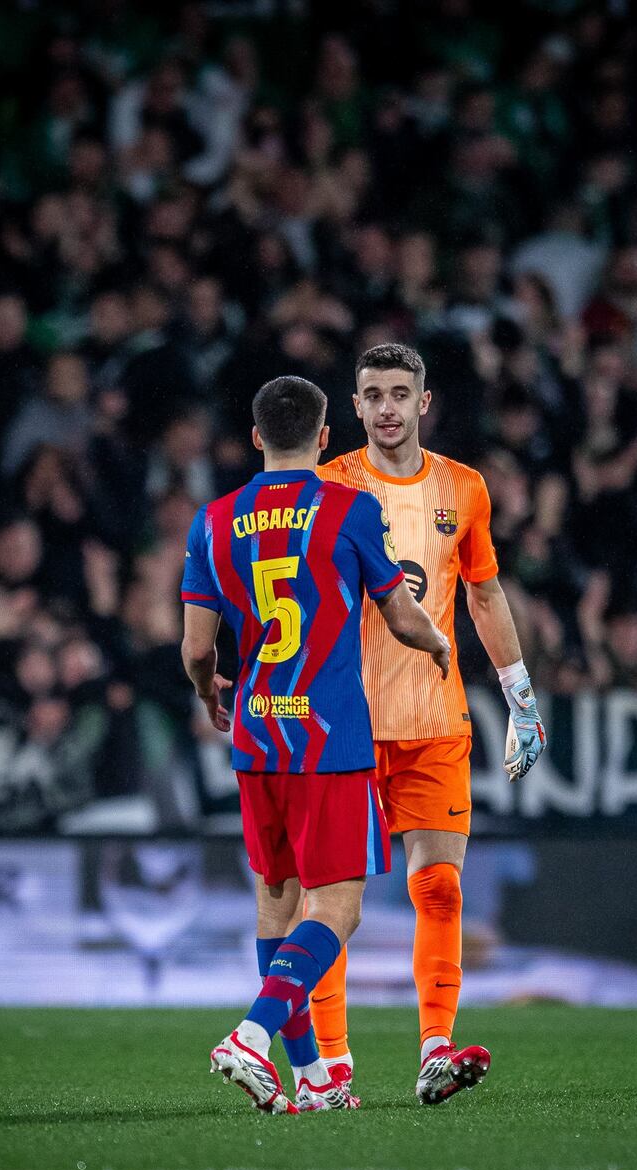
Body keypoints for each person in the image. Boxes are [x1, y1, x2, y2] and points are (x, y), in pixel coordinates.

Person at [180, 374, 450, 1114]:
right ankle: (251, 1036)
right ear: (326, 437)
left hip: (256, 732)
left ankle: (314, 1080)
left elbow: (198, 648)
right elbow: (401, 616)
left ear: (256, 436)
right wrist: (438, 644)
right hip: (328, 737)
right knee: (338, 908)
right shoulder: (351, 509)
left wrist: (208, 692)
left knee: (278, 901)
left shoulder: (213, 520)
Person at [314, 343, 546, 1105]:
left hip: (435, 721)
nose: (386, 407)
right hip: (345, 724)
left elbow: (484, 594)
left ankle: (436, 1051)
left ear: (423, 402)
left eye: (398, 393)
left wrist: (520, 697)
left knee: (440, 888)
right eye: (373, 394)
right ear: (355, 407)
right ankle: (332, 1068)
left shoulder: (464, 488)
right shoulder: (328, 486)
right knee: (332, 905)